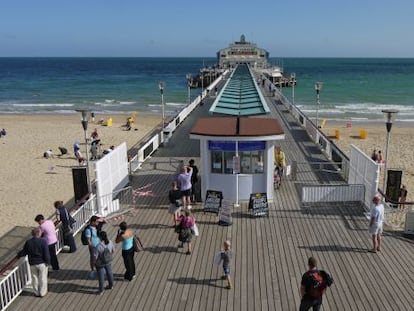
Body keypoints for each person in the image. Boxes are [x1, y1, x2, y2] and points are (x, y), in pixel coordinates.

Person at [17, 228, 50, 297]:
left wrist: (18, 255)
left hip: (32, 263)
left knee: (34, 278)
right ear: (39, 233)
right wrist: (48, 262)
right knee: (43, 278)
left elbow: (24, 252)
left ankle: (36, 292)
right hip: (42, 263)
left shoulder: (28, 242)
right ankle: (42, 292)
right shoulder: (43, 241)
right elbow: (46, 253)